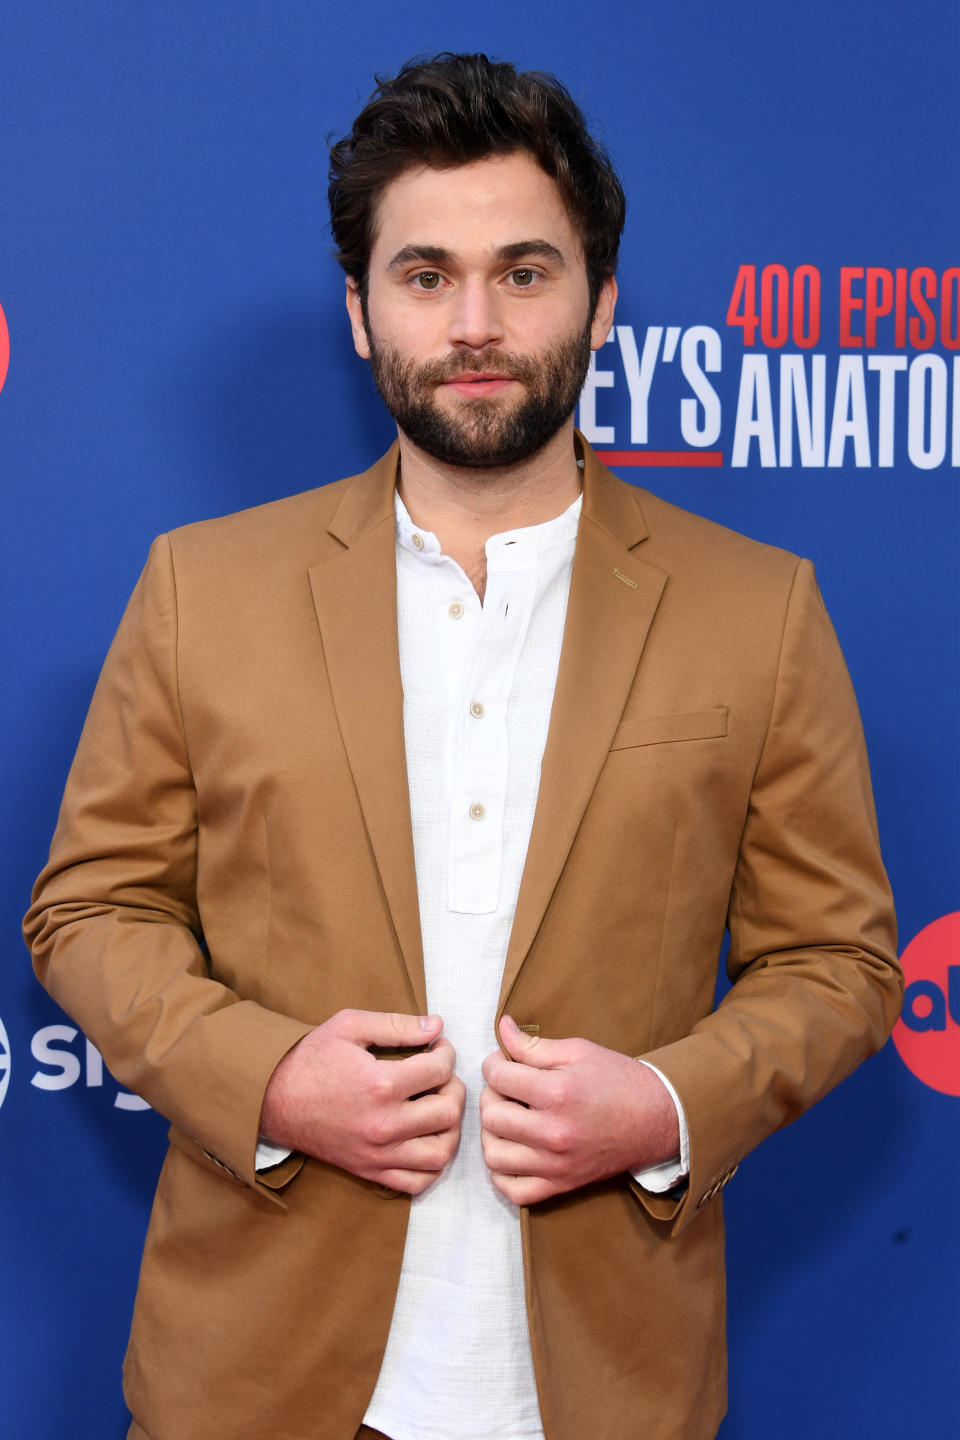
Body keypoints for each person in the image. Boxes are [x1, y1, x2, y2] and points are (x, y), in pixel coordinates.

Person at [25, 52, 901, 1440]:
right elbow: (90, 908)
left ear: (601, 303)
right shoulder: (203, 588)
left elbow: (842, 963)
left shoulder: (761, 609)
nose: (476, 322)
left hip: (606, 1387)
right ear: (362, 316)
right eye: (426, 276)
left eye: (526, 272)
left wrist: (668, 1103)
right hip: (252, 1379)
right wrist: (266, 1079)